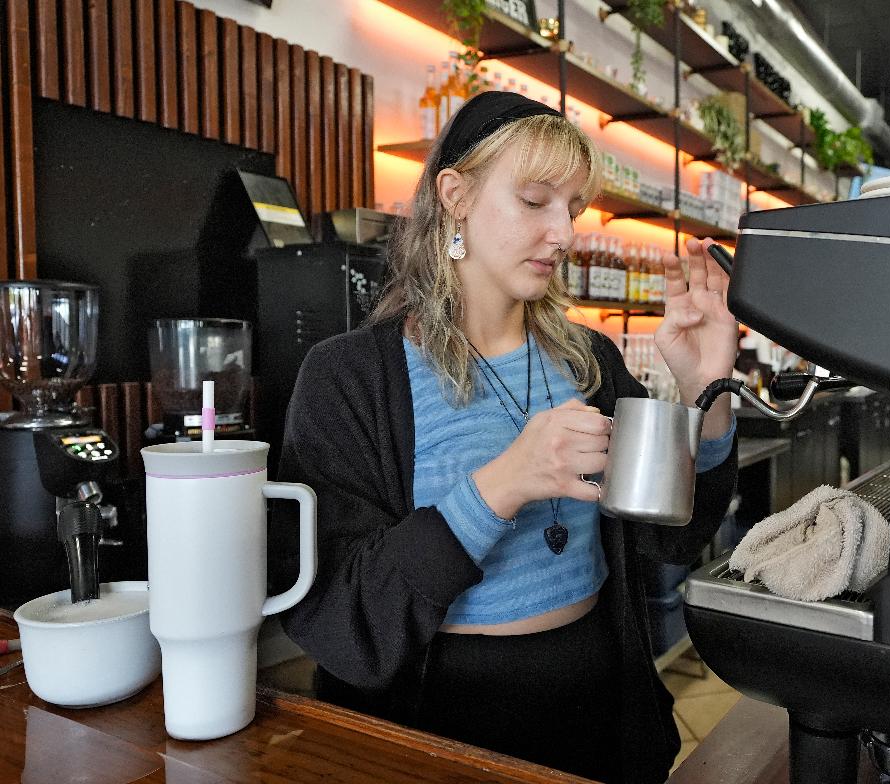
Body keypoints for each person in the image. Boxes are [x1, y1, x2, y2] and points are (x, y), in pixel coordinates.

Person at [274, 90, 738, 784]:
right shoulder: (350, 377)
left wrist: (708, 394)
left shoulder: (589, 360)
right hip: (439, 729)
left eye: (573, 207)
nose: (565, 233)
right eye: (535, 200)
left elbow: (670, 536)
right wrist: (503, 485)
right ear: (455, 195)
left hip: (599, 714)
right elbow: (342, 614)